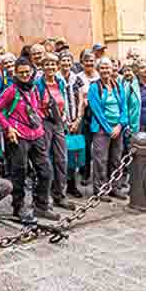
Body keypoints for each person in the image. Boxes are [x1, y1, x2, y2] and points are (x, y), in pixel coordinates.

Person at [0, 58, 60, 223]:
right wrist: (8, 128)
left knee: (46, 170)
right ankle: (18, 206)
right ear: (16, 73)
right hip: (19, 136)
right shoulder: (11, 91)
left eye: (27, 72)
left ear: (32, 72)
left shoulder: (34, 89)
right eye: (21, 72)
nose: (24, 75)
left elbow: (36, 108)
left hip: (36, 134)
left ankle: (41, 205)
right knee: (19, 172)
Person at [35, 53, 75, 211]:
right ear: (42, 67)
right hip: (44, 123)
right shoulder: (38, 83)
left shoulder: (59, 81)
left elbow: (63, 100)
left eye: (53, 64)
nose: (50, 67)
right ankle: (44, 196)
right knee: (44, 160)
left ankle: (60, 194)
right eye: (47, 64)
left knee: (62, 159)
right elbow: (35, 104)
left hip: (58, 123)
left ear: (57, 66)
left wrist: (65, 115)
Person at [88, 57, 129, 201]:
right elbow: (96, 110)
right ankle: (100, 190)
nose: (105, 70)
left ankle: (115, 187)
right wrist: (108, 128)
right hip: (101, 129)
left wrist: (119, 125)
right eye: (102, 68)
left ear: (113, 69)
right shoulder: (94, 87)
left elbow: (124, 107)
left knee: (116, 159)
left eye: (108, 68)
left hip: (117, 128)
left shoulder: (118, 86)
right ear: (98, 70)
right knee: (101, 160)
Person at [59, 51, 85, 198]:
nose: (66, 64)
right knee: (62, 154)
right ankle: (59, 185)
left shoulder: (77, 79)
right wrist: (66, 121)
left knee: (74, 153)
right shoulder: (56, 78)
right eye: (63, 61)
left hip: (76, 120)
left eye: (69, 61)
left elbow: (81, 100)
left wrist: (77, 120)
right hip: (61, 121)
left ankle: (72, 184)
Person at [76, 50, 100, 186]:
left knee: (98, 146)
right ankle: (85, 173)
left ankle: (99, 175)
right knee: (85, 145)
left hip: (97, 114)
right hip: (84, 114)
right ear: (82, 63)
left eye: (92, 60)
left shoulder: (99, 75)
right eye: (87, 61)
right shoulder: (79, 77)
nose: (90, 63)